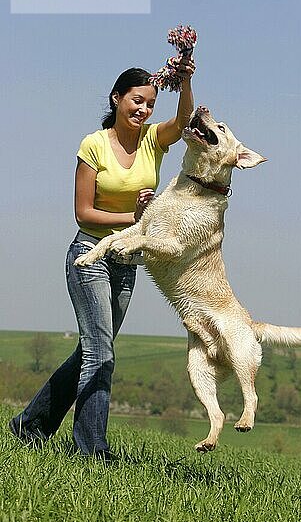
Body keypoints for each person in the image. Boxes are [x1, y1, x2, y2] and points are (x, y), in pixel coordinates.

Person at [9, 57, 195, 460]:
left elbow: (183, 123)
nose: (144, 110)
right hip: (90, 254)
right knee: (101, 352)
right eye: (137, 101)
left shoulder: (152, 140)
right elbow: (83, 212)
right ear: (117, 99)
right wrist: (138, 217)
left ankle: (30, 424)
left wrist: (185, 81)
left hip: (126, 261)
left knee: (90, 351)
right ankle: (92, 450)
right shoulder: (93, 144)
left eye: (150, 104)